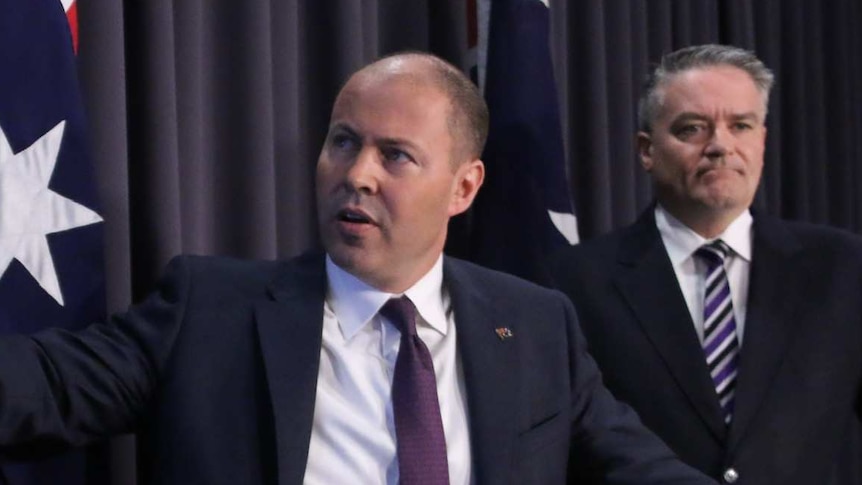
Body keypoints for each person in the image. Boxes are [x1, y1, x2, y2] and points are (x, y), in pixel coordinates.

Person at [0, 52, 715, 484]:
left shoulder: (532, 324)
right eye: (343, 142)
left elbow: (637, 467)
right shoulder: (209, 309)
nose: (357, 175)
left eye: (395, 155)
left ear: (465, 187)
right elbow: (49, 384)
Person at [549, 44, 862, 485]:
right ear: (646, 150)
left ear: (762, 141)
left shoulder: (843, 269)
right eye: (693, 128)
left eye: (741, 126)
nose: (720, 145)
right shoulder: (573, 282)